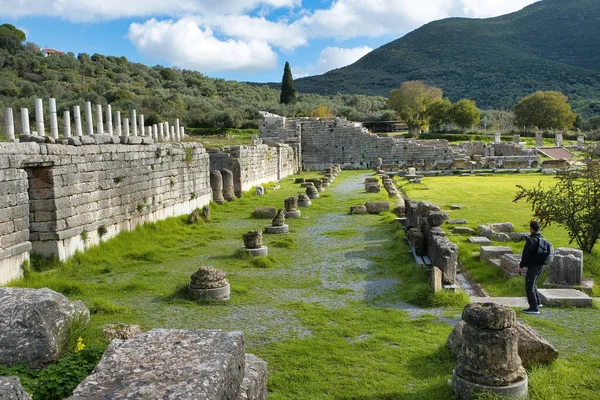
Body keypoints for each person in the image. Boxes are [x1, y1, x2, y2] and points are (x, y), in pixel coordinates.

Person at [516, 221, 545, 314]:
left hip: (533, 266)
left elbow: (525, 255)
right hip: (541, 266)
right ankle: (538, 303)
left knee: (529, 286)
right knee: (534, 283)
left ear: (531, 229)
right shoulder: (542, 239)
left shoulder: (531, 240)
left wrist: (521, 267)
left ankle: (533, 308)